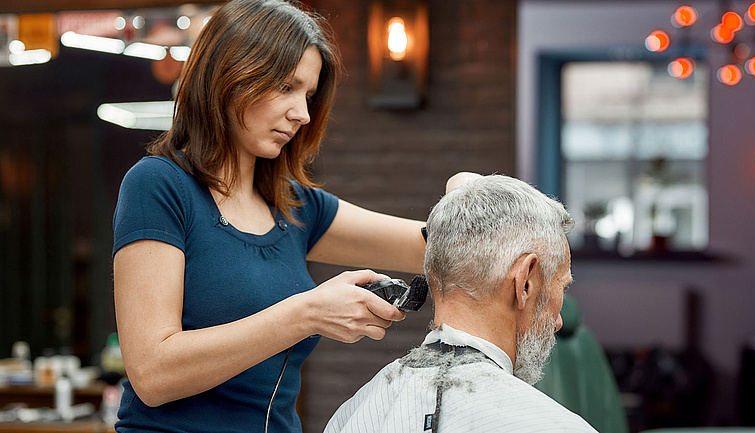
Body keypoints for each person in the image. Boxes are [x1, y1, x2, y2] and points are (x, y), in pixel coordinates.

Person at [111, 1, 435, 431]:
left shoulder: (296, 207)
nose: (302, 113)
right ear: (228, 76)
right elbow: (153, 373)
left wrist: (471, 192)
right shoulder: (159, 186)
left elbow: (430, 247)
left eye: (309, 95)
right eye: (286, 86)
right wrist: (308, 313)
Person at [324, 174, 600, 433]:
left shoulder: (351, 416)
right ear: (525, 282)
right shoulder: (556, 426)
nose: (559, 321)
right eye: (561, 287)